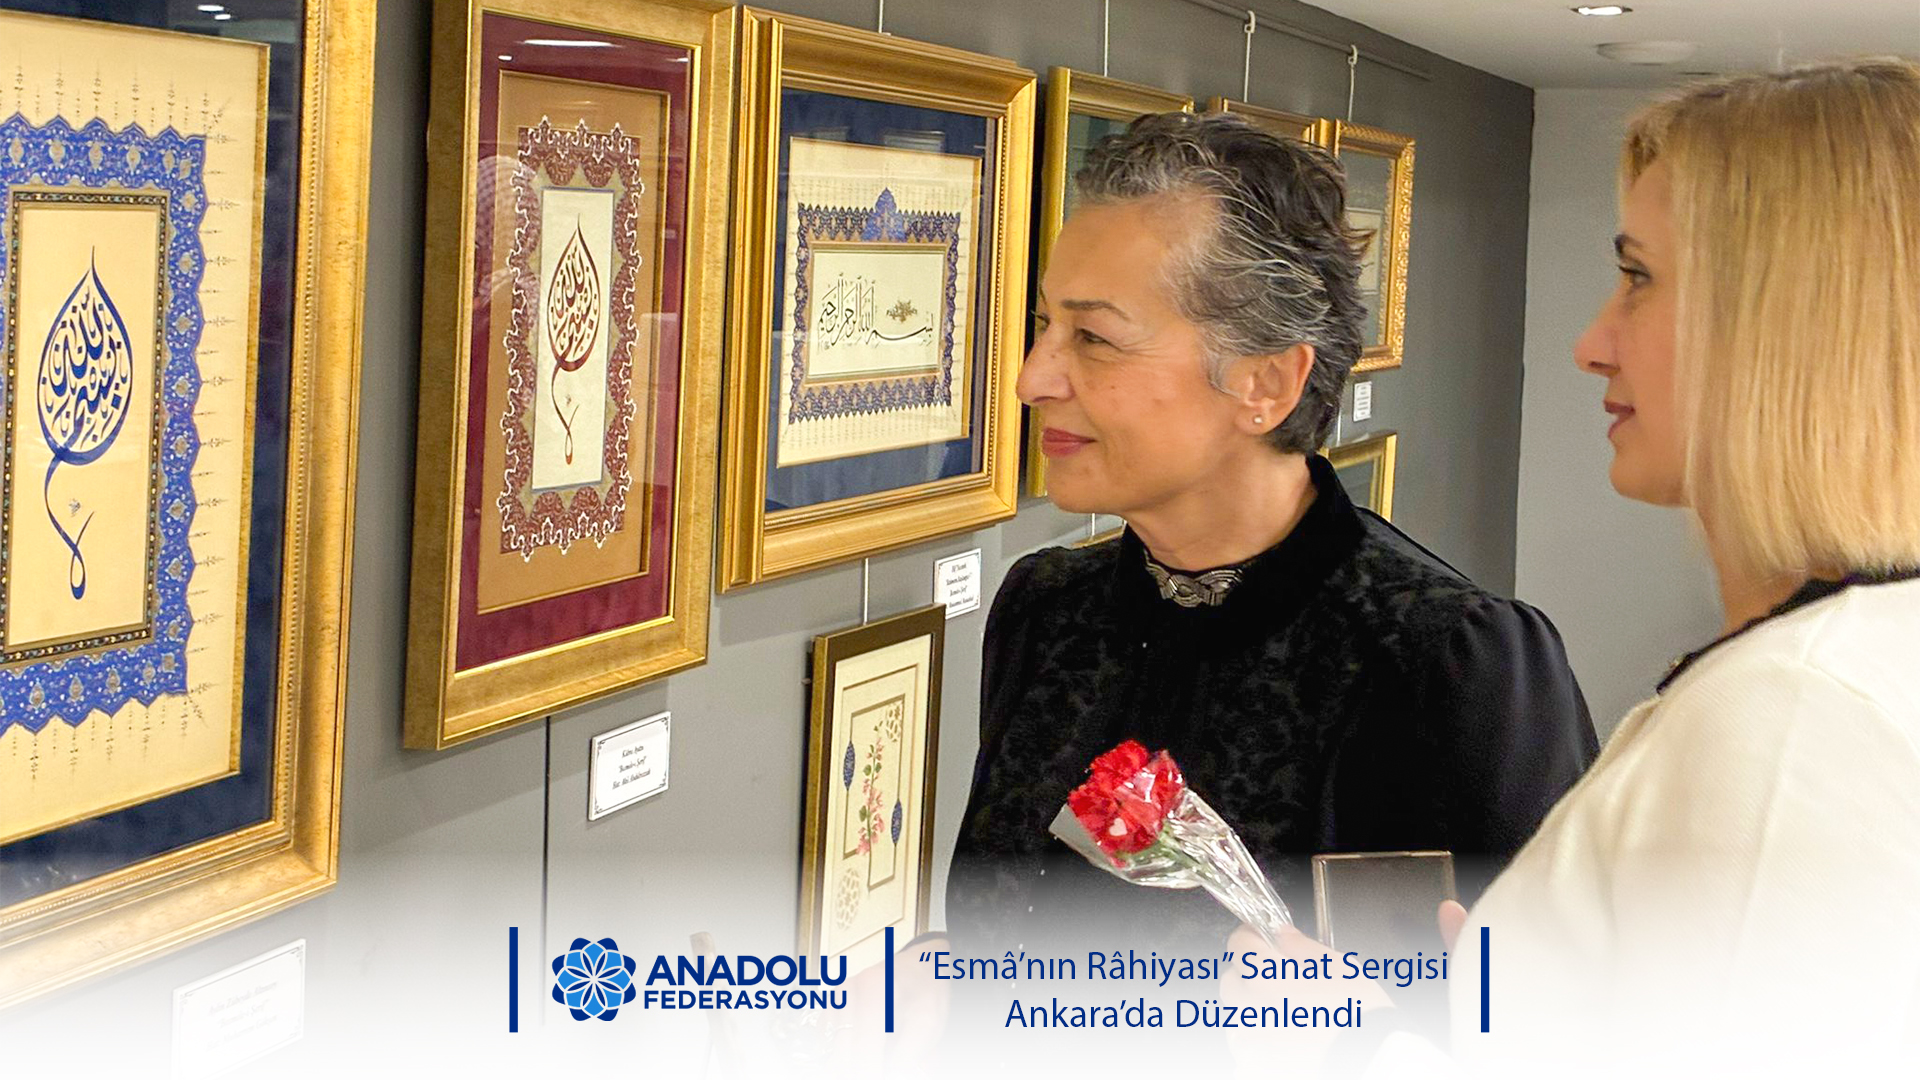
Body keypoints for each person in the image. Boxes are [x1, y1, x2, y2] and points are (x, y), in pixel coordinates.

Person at [1232, 58, 1920, 1077]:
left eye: (1639, 278)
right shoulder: (1837, 671)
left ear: (1792, 323)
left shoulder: (1793, 716)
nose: (1592, 344)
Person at [935, 111, 1596, 979]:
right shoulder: (1047, 608)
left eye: (1092, 337)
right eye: (1044, 326)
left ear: (1266, 383)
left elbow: (1558, 1015)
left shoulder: (1448, 660)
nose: (1031, 377)